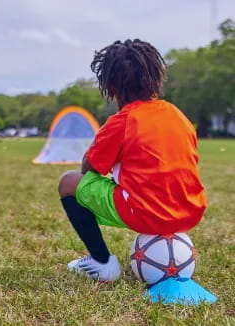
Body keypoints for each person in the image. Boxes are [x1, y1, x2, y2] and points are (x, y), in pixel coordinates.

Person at [58, 39, 206, 282]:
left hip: (147, 213)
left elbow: (90, 169)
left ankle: (102, 263)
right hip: (190, 212)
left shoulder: (123, 121)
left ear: (111, 86)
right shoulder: (178, 115)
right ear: (157, 78)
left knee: (68, 182)